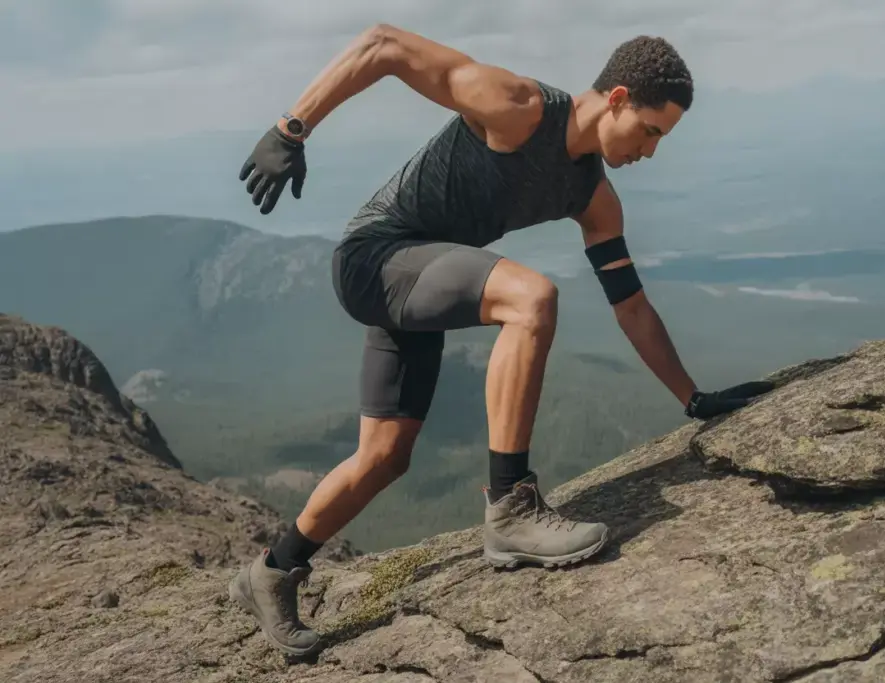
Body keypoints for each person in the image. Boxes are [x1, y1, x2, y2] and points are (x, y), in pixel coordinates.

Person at [229, 24, 773, 656]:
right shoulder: (518, 108)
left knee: (383, 457)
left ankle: (271, 570)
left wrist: (693, 399)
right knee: (532, 297)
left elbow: (632, 308)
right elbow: (384, 46)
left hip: (420, 281)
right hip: (376, 260)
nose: (651, 151)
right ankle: (511, 508)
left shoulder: (595, 199)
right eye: (651, 131)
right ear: (619, 97)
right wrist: (291, 129)